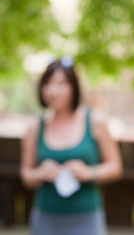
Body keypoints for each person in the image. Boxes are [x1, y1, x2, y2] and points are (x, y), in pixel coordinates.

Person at [20, 57, 122, 235]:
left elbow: (115, 167)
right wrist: (39, 173)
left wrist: (89, 172)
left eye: (61, 84)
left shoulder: (95, 121)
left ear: (74, 87)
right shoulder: (35, 127)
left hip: (87, 218)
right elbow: (26, 175)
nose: (53, 90)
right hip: (45, 218)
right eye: (47, 83)